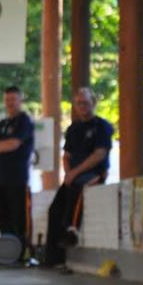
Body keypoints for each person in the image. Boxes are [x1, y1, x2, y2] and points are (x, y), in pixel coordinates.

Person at [44, 87, 113, 268]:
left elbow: (99, 154)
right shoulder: (73, 128)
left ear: (93, 103)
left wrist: (75, 173)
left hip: (93, 174)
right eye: (79, 103)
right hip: (72, 176)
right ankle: (53, 258)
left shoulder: (102, 126)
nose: (82, 106)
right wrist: (68, 173)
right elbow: (66, 156)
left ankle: (72, 230)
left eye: (86, 103)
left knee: (77, 193)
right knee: (54, 209)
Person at [0, 85, 35, 261]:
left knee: (19, 218)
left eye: (13, 99)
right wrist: (3, 146)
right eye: (7, 100)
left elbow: (14, 144)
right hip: (1, 179)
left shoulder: (24, 121)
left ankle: (22, 255)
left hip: (18, 179)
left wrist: (1, 146)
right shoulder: (2, 124)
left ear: (20, 100)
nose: (10, 103)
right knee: (3, 217)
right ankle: (8, 255)